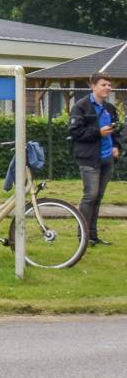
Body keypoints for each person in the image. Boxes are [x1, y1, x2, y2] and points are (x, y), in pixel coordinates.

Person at [69, 74, 118, 248]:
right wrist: (98, 132)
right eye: (104, 84)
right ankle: (82, 236)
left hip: (107, 159)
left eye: (109, 85)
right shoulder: (81, 107)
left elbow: (116, 129)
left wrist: (116, 146)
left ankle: (93, 236)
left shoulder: (110, 108)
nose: (108, 88)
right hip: (88, 158)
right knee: (90, 196)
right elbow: (75, 132)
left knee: (98, 197)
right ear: (93, 86)